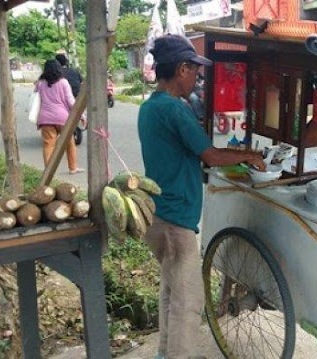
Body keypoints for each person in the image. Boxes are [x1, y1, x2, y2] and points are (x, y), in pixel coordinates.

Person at [137, 35, 265, 359]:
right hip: (175, 222)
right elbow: (210, 155)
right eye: (194, 71)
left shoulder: (149, 107)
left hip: (157, 215)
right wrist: (248, 156)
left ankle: (165, 352)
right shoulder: (174, 110)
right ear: (181, 69)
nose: (197, 77)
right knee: (188, 302)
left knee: (170, 292)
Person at [35, 59, 83, 174]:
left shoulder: (40, 83)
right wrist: (82, 115)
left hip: (45, 119)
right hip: (62, 118)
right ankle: (73, 168)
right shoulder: (63, 82)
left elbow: (35, 96)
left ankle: (48, 171)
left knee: (48, 145)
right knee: (69, 143)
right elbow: (71, 101)